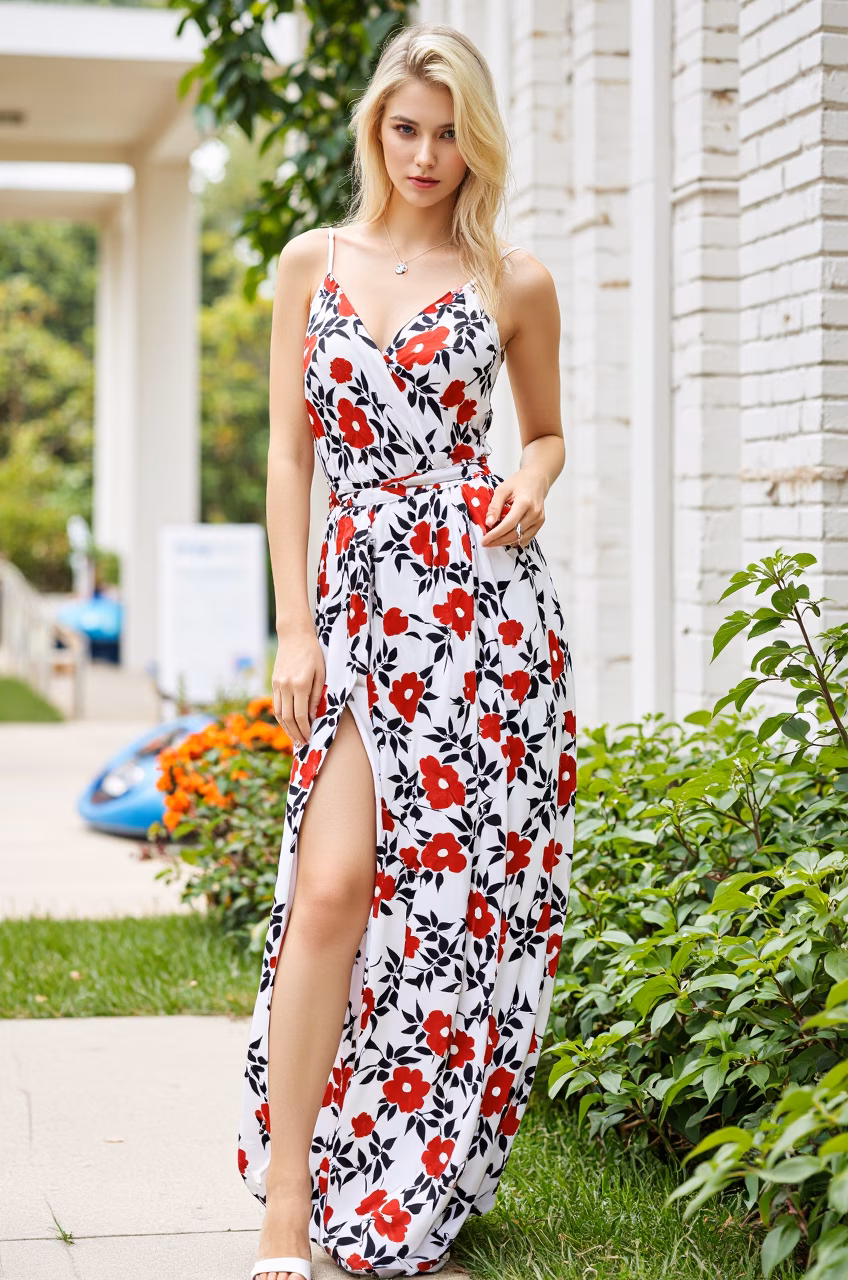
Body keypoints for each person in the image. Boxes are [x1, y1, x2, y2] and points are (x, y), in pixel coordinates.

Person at [239, 21, 577, 1280]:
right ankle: (288, 1202)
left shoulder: (513, 280)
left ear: (471, 139)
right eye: (405, 128)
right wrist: (291, 622)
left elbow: (542, 433)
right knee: (329, 892)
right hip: (360, 617)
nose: (425, 154)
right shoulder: (309, 264)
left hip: (484, 629)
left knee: (451, 918)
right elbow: (287, 454)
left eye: (447, 132)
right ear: (374, 129)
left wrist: (529, 480)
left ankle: (405, 1201)